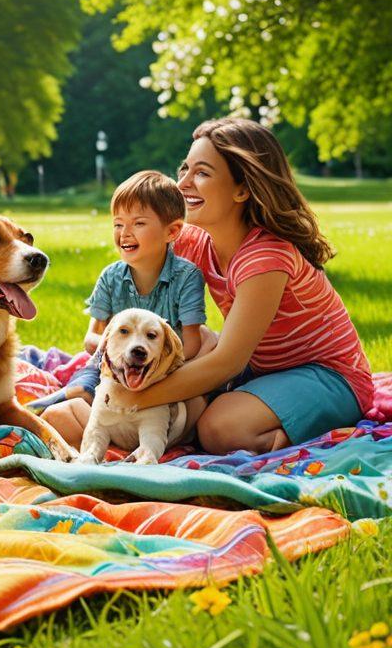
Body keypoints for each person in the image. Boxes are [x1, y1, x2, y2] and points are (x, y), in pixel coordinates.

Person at [45, 118, 373, 455]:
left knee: (219, 429)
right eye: (184, 168)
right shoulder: (196, 241)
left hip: (330, 379)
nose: (183, 182)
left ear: (242, 190)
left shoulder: (266, 258)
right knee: (195, 341)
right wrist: (99, 378)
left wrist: (134, 397)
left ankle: (298, 434)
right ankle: (109, 419)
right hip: (261, 371)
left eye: (201, 173)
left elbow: (227, 362)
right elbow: (133, 288)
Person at [36, 170, 208, 428]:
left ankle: (111, 423)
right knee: (82, 387)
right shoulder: (111, 277)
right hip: (110, 367)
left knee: (194, 407)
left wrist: (155, 363)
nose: (124, 233)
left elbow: (192, 344)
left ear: (171, 232)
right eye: (118, 224)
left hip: (163, 370)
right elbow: (91, 338)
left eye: (138, 223)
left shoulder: (187, 277)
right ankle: (42, 407)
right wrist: (116, 352)